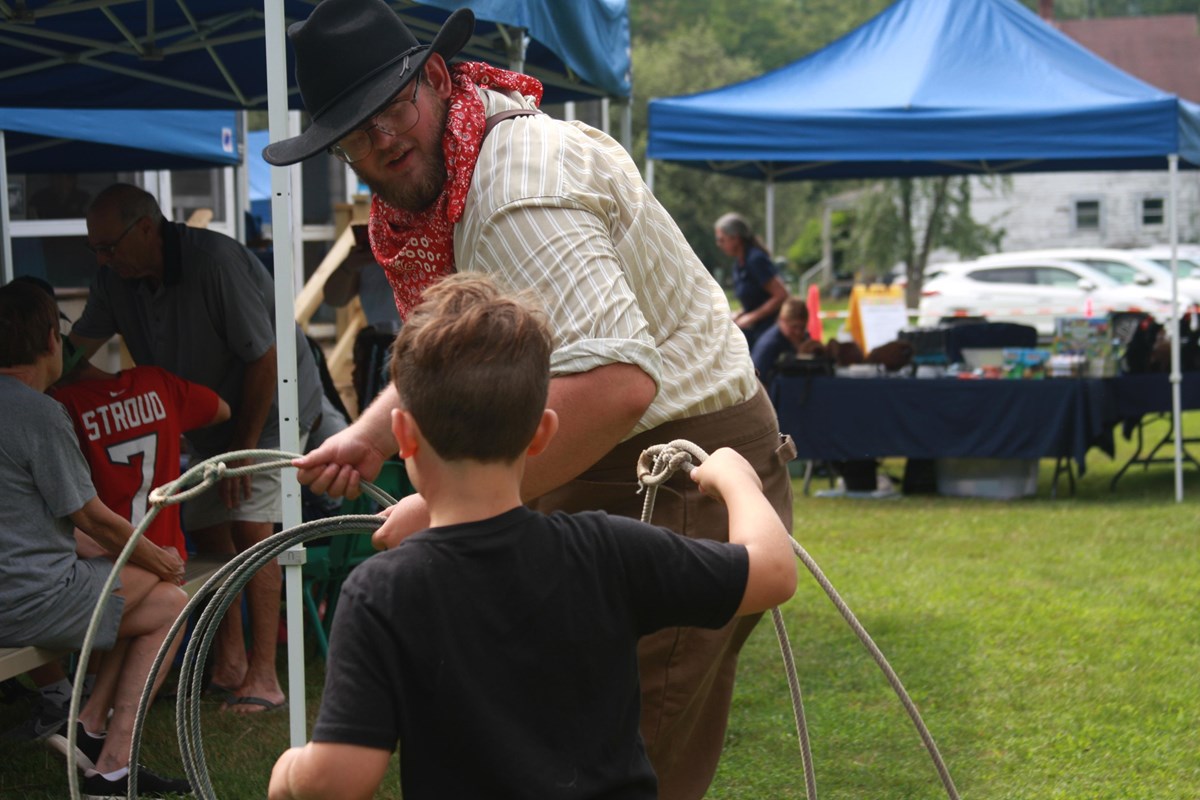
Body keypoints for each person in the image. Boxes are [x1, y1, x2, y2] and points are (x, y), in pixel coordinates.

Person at [264, 5, 795, 797]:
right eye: (353, 132)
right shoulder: (463, 166)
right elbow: (469, 352)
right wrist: (374, 434)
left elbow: (617, 387)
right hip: (622, 466)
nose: (382, 141)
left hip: (672, 472)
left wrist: (448, 509)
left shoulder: (515, 194)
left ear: (437, 81)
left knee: (614, 748)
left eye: (394, 109)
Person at [267, 275, 797, 800]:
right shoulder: (609, 551)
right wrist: (739, 479)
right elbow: (772, 572)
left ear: (402, 435)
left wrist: (290, 771)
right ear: (542, 433)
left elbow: (341, 779)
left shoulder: (380, 593)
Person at [68, 183, 324, 715]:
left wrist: (242, 450)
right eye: (94, 250)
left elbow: (265, 360)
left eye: (109, 247)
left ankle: (265, 677)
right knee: (207, 528)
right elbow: (71, 358)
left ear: (146, 228)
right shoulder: (114, 278)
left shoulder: (215, 263)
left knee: (252, 525)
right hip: (208, 418)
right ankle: (228, 662)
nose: (102, 260)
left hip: (273, 404)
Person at [0, 280, 191, 798]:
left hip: (20, 588)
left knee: (158, 596)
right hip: (28, 602)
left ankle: (96, 741)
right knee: (171, 592)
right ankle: (108, 760)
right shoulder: (38, 412)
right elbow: (89, 516)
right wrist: (159, 557)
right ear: (49, 341)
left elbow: (42, 527)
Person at [52, 363, 232, 559]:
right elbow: (222, 410)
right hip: (169, 558)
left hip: (110, 564)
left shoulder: (62, 403)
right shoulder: (155, 381)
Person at [714, 212, 789, 349]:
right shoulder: (739, 264)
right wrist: (740, 314)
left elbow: (781, 295)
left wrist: (750, 317)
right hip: (756, 329)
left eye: (722, 239)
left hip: (770, 329)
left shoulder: (755, 259)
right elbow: (755, 300)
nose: (719, 244)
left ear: (735, 238)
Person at [751, 295, 817, 386]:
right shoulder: (769, 345)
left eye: (802, 327)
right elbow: (756, 382)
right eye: (794, 327)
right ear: (782, 321)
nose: (798, 332)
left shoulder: (804, 339)